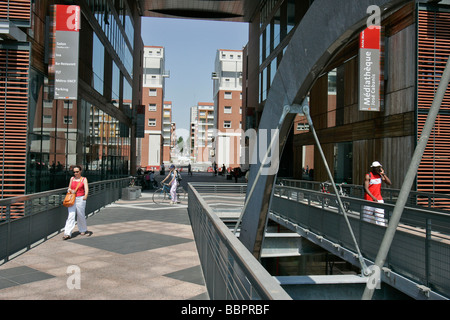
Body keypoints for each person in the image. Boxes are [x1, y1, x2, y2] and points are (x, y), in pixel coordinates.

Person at [63, 165, 90, 240]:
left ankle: (83, 229)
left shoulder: (83, 179)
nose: (75, 173)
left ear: (80, 171)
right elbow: (69, 188)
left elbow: (86, 189)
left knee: (80, 214)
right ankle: (67, 233)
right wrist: (71, 190)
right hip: (72, 198)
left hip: (81, 198)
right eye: (74, 172)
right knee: (71, 215)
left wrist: (86, 195)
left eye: (77, 172)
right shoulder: (72, 178)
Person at [363, 161, 392, 226]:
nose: (377, 169)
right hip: (369, 200)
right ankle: (364, 231)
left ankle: (381, 232)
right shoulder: (368, 176)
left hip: (379, 199)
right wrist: (373, 197)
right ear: (372, 168)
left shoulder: (379, 175)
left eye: (378, 167)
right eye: (376, 168)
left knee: (380, 218)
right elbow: (366, 188)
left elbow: (389, 183)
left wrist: (383, 174)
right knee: (367, 218)